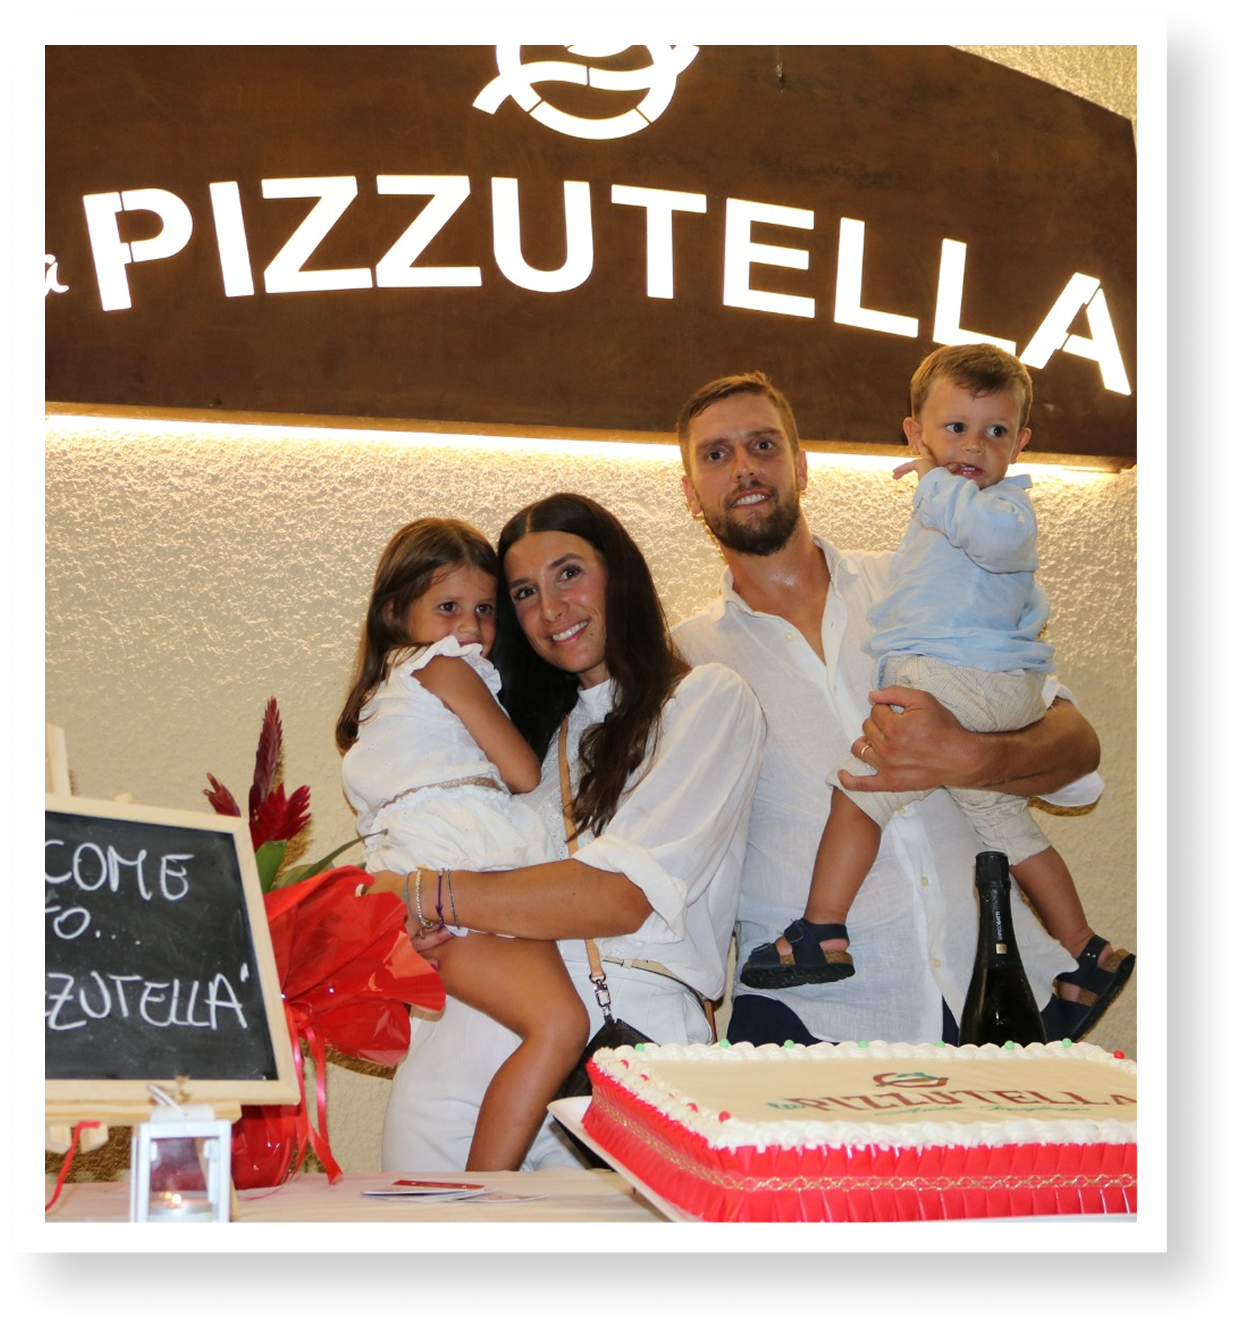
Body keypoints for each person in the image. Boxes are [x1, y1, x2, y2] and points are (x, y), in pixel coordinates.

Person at [673, 369, 1123, 1048]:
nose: (744, 467)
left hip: (997, 994)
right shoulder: (681, 661)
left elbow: (1078, 749)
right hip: (810, 1019)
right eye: (716, 454)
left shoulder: (923, 580)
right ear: (690, 493)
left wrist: (973, 757)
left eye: (763, 445)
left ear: (801, 465)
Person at [367, 494, 764, 1171]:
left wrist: (423, 893)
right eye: (524, 592)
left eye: (570, 573)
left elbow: (619, 897)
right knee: (425, 1225)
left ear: (619, 573)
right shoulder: (526, 737)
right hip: (466, 1029)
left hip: (626, 1038)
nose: (551, 608)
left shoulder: (706, 700)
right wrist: (408, 915)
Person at [337, 517, 587, 1171]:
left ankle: (483, 1192)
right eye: (448, 607)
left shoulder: (385, 695)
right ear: (395, 612)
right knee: (561, 1025)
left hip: (427, 872)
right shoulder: (446, 668)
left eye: (484, 609)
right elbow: (523, 772)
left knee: (552, 1024)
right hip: (467, 866)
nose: (470, 628)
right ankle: (485, 1197)